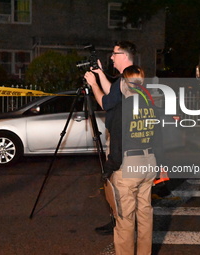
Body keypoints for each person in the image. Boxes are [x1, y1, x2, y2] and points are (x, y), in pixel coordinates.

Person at [103, 65, 163, 255]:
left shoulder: (122, 109)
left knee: (125, 219)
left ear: (123, 84)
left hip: (129, 166)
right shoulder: (152, 107)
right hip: (149, 162)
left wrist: (108, 169)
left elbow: (117, 147)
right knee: (145, 214)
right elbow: (159, 139)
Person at [84, 41, 137, 235]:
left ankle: (119, 221)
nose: (112, 57)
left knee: (117, 186)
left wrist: (93, 84)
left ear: (124, 55)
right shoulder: (131, 77)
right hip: (133, 144)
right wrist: (100, 74)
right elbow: (112, 93)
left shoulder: (126, 79)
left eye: (114, 54)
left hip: (122, 142)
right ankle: (118, 219)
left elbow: (106, 102)